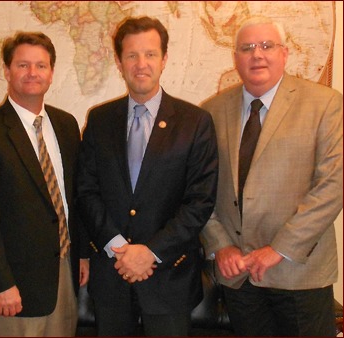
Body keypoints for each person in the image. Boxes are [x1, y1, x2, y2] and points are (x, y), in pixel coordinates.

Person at [200, 16, 343, 336]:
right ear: (235, 57)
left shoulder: (325, 104)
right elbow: (200, 189)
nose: (257, 54)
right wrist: (219, 244)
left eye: (267, 46)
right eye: (247, 48)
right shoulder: (212, 111)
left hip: (299, 272)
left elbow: (333, 185)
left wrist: (279, 249)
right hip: (238, 275)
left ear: (285, 53)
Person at [77, 16, 218, 336]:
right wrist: (118, 248)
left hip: (170, 277)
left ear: (164, 59)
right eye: (132, 55)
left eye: (151, 54)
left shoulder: (195, 122)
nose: (141, 64)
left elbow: (200, 200)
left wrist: (150, 252)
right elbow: (86, 190)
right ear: (119, 61)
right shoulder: (99, 120)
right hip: (112, 275)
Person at [0, 31, 90, 337]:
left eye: (41, 66)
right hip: (12, 288)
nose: (33, 73)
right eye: (23, 65)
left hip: (63, 276)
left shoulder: (66, 125)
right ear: (6, 71)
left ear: (52, 72)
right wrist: (1, 283)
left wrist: (82, 254)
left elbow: (74, 197)